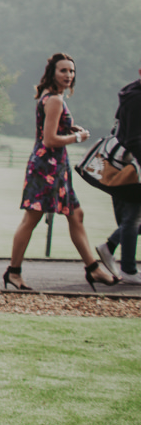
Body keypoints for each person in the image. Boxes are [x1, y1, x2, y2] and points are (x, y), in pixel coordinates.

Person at [4, 52, 116, 291]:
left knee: (76, 215)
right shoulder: (54, 99)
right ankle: (13, 272)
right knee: (31, 219)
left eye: (72, 71)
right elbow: (49, 140)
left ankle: (93, 268)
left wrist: (68, 127)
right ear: (53, 73)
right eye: (63, 70)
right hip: (47, 168)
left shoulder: (50, 98)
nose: (69, 75)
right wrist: (77, 137)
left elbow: (52, 128)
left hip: (57, 168)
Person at [95, 67, 141, 285]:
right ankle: (129, 270)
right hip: (132, 166)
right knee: (132, 218)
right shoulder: (134, 99)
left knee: (132, 218)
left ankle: (111, 245)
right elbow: (133, 139)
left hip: (134, 164)